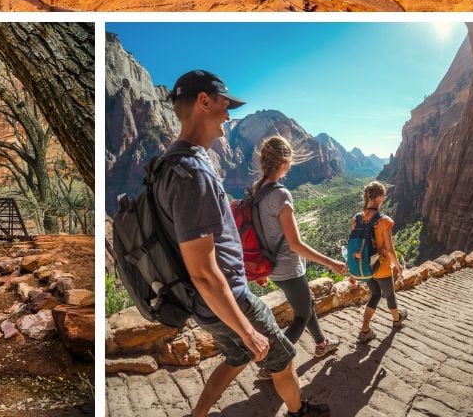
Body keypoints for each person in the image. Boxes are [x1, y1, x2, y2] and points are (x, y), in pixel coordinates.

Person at [157, 71, 327, 417]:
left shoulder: (165, 166)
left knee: (237, 357)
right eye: (225, 105)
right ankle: (300, 412)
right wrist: (247, 329)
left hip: (204, 301)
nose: (229, 115)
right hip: (230, 298)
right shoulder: (193, 173)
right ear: (204, 102)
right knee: (282, 356)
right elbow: (203, 271)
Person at [249, 136, 347, 364]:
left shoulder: (258, 188)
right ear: (284, 161)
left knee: (308, 304)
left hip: (272, 265)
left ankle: (321, 344)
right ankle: (273, 363)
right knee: (301, 315)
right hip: (288, 268)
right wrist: (331, 263)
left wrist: (262, 271)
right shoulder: (281, 194)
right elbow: (295, 244)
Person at [353, 180, 407, 342]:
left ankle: (364, 330)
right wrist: (398, 266)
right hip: (381, 267)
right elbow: (389, 250)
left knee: (375, 294)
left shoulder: (356, 218)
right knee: (390, 294)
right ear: (381, 198)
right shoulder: (385, 221)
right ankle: (397, 320)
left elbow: (356, 245)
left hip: (365, 267)